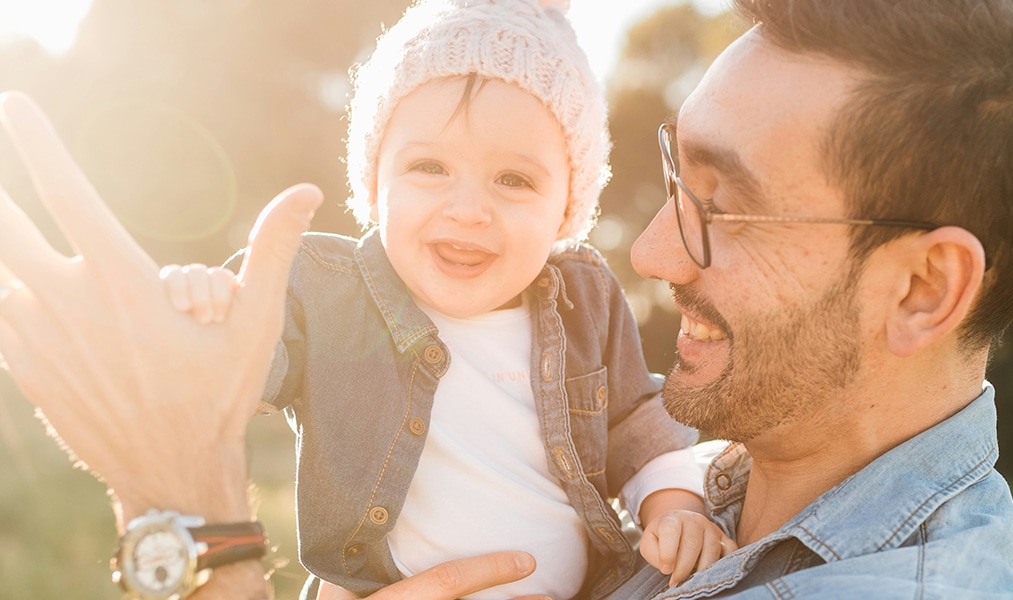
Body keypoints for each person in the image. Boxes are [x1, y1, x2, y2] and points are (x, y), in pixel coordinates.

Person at [0, 0, 1013, 597]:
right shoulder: (731, 480)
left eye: (728, 205)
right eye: (674, 183)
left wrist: (182, 513)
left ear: (923, 288)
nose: (655, 253)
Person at [160, 0, 733, 598]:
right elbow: (234, 367)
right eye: (429, 167)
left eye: (513, 180)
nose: (467, 211)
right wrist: (203, 314)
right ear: (375, 185)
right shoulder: (327, 293)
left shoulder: (584, 300)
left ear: (567, 208)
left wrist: (674, 508)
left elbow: (637, 424)